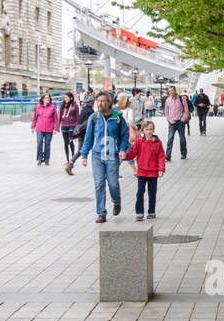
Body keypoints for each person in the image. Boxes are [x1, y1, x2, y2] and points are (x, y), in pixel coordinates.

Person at [80, 91, 130, 222]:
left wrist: (123, 149)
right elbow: (88, 137)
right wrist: (84, 155)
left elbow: (125, 135)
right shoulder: (94, 117)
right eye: (98, 101)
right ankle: (101, 213)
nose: (100, 104)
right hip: (97, 156)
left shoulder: (118, 117)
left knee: (113, 183)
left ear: (109, 102)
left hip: (113, 156)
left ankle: (116, 201)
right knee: (99, 184)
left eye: (102, 101)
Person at [122, 118, 166, 220]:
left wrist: (161, 169)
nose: (149, 131)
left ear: (153, 130)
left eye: (150, 129)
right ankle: (139, 212)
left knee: (152, 193)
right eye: (146, 129)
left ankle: (151, 211)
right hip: (141, 171)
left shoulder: (158, 143)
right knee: (140, 192)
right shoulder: (139, 142)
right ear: (142, 131)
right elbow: (133, 153)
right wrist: (125, 156)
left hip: (153, 172)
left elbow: (161, 156)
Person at [31, 91, 59, 165]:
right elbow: (34, 118)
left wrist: (55, 129)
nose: (47, 99)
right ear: (42, 99)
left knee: (47, 144)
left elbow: (56, 119)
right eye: (46, 98)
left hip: (49, 129)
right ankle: (40, 159)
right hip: (39, 128)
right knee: (39, 142)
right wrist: (32, 127)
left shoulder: (52, 107)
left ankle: (47, 160)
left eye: (48, 98)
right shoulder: (38, 107)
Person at [164, 84, 190, 161]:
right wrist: (169, 119)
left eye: (172, 91)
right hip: (171, 123)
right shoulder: (168, 100)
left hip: (180, 122)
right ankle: (168, 156)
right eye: (169, 91)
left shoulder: (182, 99)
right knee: (170, 138)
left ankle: (183, 154)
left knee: (182, 138)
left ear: (175, 91)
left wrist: (183, 119)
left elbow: (186, 110)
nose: (171, 92)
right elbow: (166, 111)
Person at [57, 91, 80, 169]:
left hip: (71, 126)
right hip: (64, 126)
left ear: (71, 98)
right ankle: (67, 159)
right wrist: (58, 126)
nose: (65, 99)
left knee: (70, 141)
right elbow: (60, 116)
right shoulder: (62, 105)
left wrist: (77, 127)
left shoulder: (75, 105)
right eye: (64, 97)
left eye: (67, 97)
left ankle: (72, 158)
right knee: (65, 143)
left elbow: (77, 117)